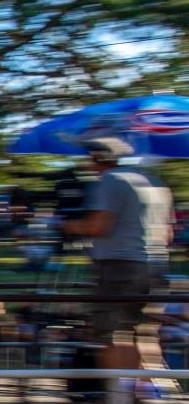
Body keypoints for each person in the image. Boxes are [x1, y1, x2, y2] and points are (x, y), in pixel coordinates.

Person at [64, 136, 174, 377]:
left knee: (112, 334)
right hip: (155, 264)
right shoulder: (154, 182)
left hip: (120, 266)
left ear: (97, 158)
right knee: (142, 332)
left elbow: (99, 227)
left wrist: (70, 226)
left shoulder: (111, 180)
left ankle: (119, 400)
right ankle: (148, 392)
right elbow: (168, 232)